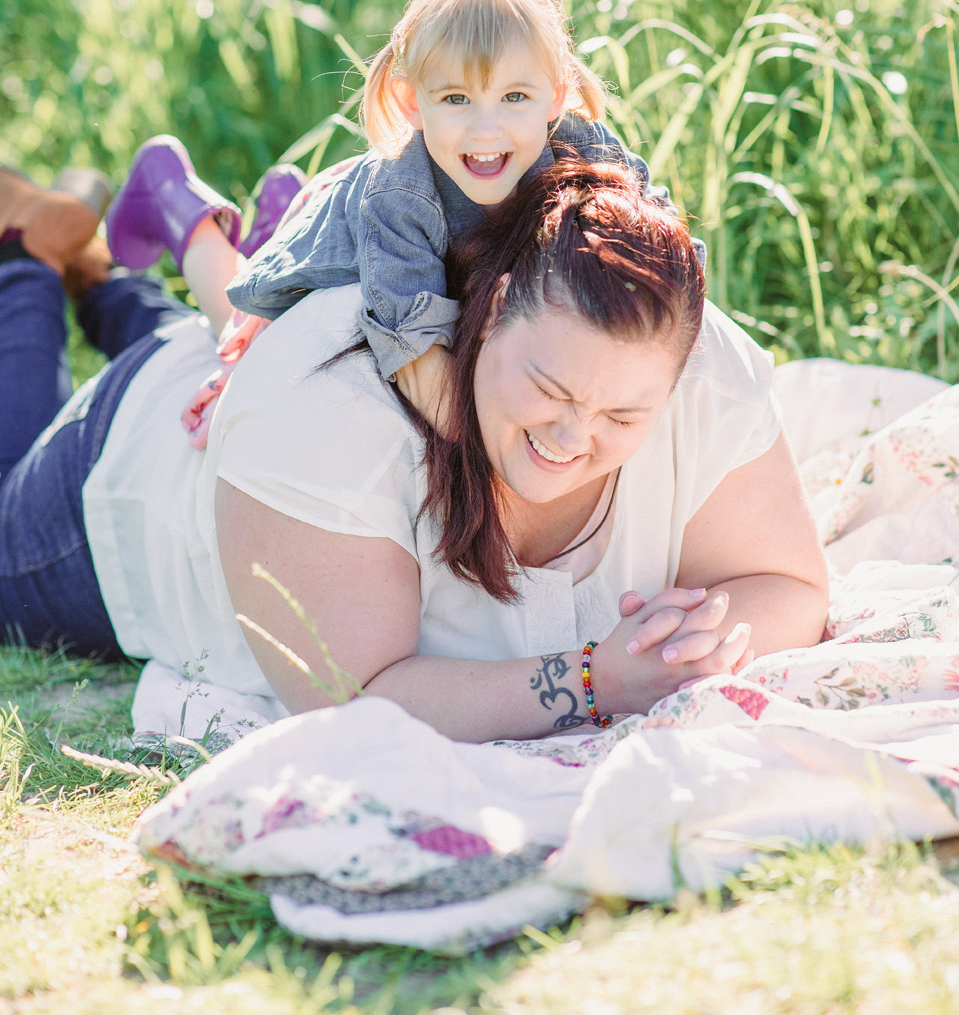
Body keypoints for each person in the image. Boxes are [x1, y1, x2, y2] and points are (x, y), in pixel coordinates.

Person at [0, 154, 828, 742]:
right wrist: (596, 681)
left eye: (622, 416)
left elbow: (788, 586)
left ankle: (110, 275)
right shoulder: (329, 411)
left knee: (192, 337)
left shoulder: (689, 356)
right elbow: (353, 699)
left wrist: (698, 642)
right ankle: (28, 256)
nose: (576, 438)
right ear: (487, 308)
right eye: (552, 390)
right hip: (125, 473)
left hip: (219, 371)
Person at [106, 0, 705, 434]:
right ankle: (175, 201)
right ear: (412, 103)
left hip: (364, 196)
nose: (487, 128)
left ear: (555, 96)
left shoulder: (580, 148)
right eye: (456, 100)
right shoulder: (401, 201)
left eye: (515, 98)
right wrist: (491, 452)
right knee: (236, 325)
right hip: (346, 242)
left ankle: (280, 209)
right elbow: (415, 354)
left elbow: (660, 248)